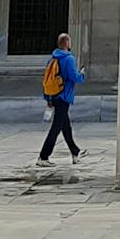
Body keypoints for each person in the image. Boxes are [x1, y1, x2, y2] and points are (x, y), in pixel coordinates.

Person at [38, 31, 85, 164]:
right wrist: (82, 74)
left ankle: (75, 152)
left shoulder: (52, 58)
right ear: (67, 43)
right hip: (63, 96)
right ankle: (43, 156)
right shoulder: (68, 59)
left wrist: (48, 98)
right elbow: (74, 77)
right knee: (56, 127)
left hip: (54, 95)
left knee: (66, 127)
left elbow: (47, 79)